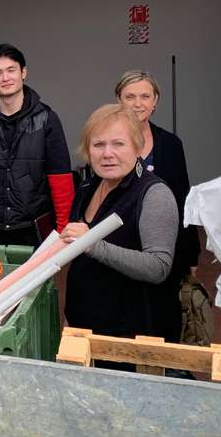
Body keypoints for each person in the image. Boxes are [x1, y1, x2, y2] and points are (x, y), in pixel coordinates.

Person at [61, 104, 180, 356]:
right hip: (86, 327)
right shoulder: (88, 187)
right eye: (98, 145)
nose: (107, 154)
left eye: (118, 144)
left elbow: (158, 267)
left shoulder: (154, 194)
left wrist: (92, 243)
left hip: (131, 339)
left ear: (138, 148)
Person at [0, 43, 74, 246]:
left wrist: (62, 230)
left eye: (11, 70)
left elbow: (61, 180)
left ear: (23, 72)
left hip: (34, 228)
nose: (5, 78)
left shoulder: (46, 119)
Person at [115, 70, 201, 298]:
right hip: (119, 251)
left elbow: (183, 198)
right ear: (119, 101)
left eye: (145, 96)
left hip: (163, 248)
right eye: (130, 97)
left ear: (155, 101)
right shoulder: (108, 143)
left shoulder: (170, 144)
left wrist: (191, 255)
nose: (138, 104)